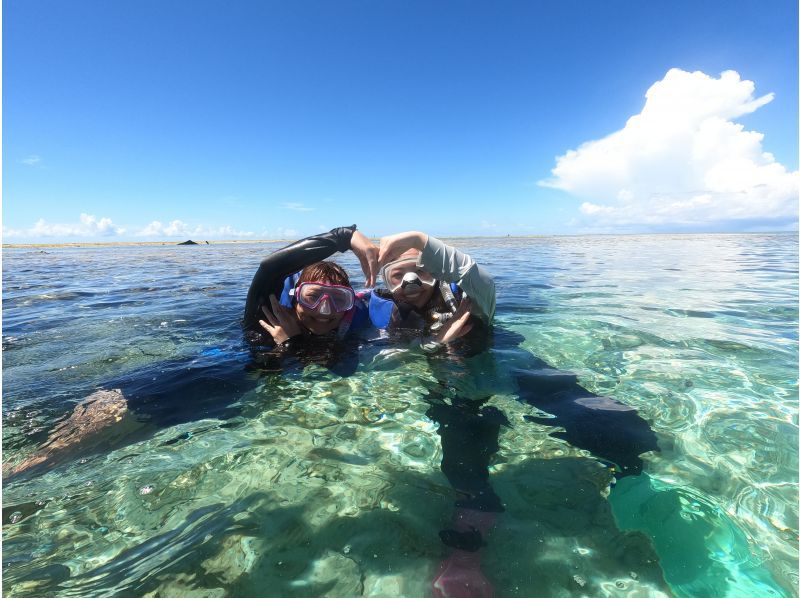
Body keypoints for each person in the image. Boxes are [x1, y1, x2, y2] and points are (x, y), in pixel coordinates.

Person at [366, 231, 660, 598]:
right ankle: (465, 551)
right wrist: (433, 344)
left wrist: (420, 239)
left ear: (438, 274)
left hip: (513, 370)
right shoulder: (391, 319)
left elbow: (478, 277)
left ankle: (636, 473)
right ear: (386, 283)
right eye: (398, 274)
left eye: (421, 270)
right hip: (455, 390)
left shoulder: (473, 302)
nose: (410, 281)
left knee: (599, 418)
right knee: (462, 456)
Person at [5, 226, 379, 478]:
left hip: (207, 410)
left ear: (349, 305)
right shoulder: (264, 318)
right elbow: (270, 267)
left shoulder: (339, 344)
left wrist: (293, 343)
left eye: (337, 300)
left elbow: (329, 378)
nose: (325, 312)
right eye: (314, 298)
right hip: (168, 385)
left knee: (79, 458)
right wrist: (345, 236)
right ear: (293, 299)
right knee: (44, 460)